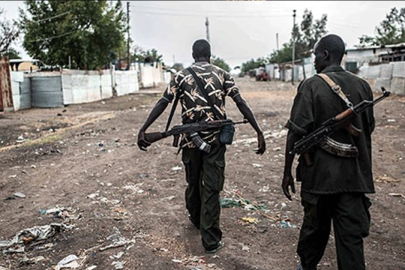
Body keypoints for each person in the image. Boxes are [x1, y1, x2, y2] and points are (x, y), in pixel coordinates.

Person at [137, 39, 266, 253]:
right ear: (210, 54)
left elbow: (163, 102)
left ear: (193, 54)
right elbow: (240, 102)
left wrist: (144, 127)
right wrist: (258, 131)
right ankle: (210, 240)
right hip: (215, 141)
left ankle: (197, 220)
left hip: (190, 140)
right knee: (212, 187)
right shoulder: (222, 74)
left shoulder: (181, 75)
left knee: (193, 181)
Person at [281, 34, 375, 270]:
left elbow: (295, 133)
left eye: (315, 55)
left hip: (320, 178)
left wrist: (287, 172)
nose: (313, 60)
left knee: (314, 232)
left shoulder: (311, 85)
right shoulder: (362, 86)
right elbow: (368, 128)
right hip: (354, 177)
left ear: (324, 55)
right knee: (351, 241)